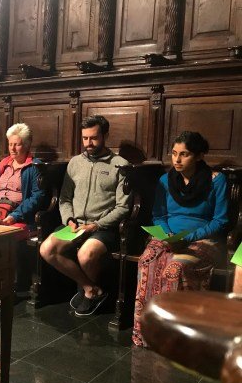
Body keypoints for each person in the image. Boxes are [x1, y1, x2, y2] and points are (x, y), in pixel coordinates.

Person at [132, 131, 228, 346]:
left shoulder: (216, 180)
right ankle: (147, 332)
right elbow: (159, 215)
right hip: (169, 236)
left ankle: (175, 337)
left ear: (199, 156)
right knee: (146, 261)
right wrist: (167, 236)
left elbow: (220, 221)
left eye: (184, 154)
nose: (177, 159)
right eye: (174, 153)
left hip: (202, 239)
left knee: (175, 269)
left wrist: (189, 237)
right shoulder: (165, 180)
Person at [39, 115, 130, 316]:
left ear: (105, 136)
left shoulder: (120, 165)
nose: (89, 143)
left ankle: (87, 292)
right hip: (76, 225)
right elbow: (64, 198)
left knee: (86, 254)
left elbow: (123, 207)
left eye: (94, 138)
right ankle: (91, 289)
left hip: (103, 228)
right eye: (85, 138)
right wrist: (69, 220)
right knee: (46, 249)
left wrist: (96, 225)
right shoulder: (75, 163)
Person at [0, 123, 45, 300]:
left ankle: (11, 286)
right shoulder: (3, 164)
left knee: (5, 238)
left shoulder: (34, 166)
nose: (12, 148)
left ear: (27, 145)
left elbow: (37, 197)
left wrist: (14, 216)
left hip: (21, 218)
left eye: (17, 144)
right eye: (10, 144)